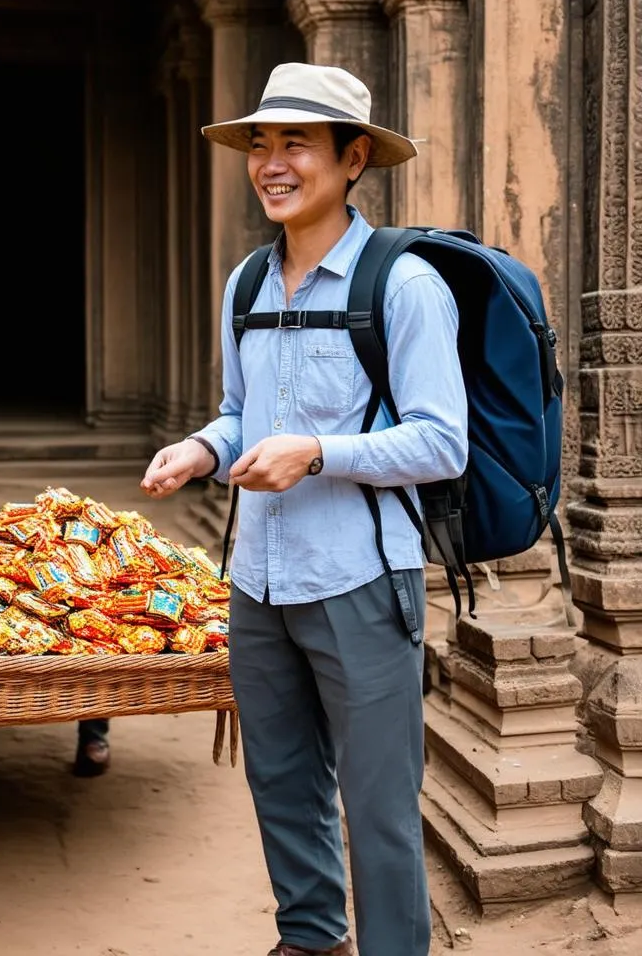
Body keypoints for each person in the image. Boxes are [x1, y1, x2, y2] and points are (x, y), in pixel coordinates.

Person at [141, 63, 468, 956]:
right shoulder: (246, 283)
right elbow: (241, 408)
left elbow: (444, 442)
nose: (272, 162)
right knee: (281, 782)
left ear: (353, 156)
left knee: (380, 809)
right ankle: (311, 938)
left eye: (296, 142)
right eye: (261, 143)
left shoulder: (403, 287)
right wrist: (203, 448)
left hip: (363, 579)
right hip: (259, 579)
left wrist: (319, 452)